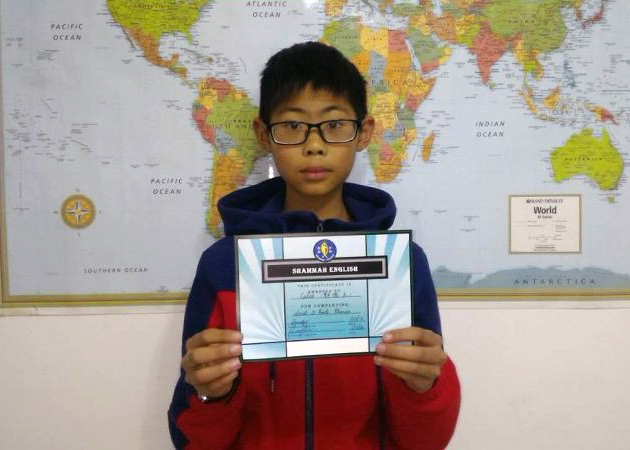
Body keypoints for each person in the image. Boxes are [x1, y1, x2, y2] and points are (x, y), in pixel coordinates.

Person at [168, 41, 460, 449]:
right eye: (292, 126)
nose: (314, 144)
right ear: (263, 134)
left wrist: (427, 384)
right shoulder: (223, 266)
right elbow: (191, 440)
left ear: (365, 132)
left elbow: (426, 440)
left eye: (335, 124)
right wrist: (209, 393)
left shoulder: (401, 265)